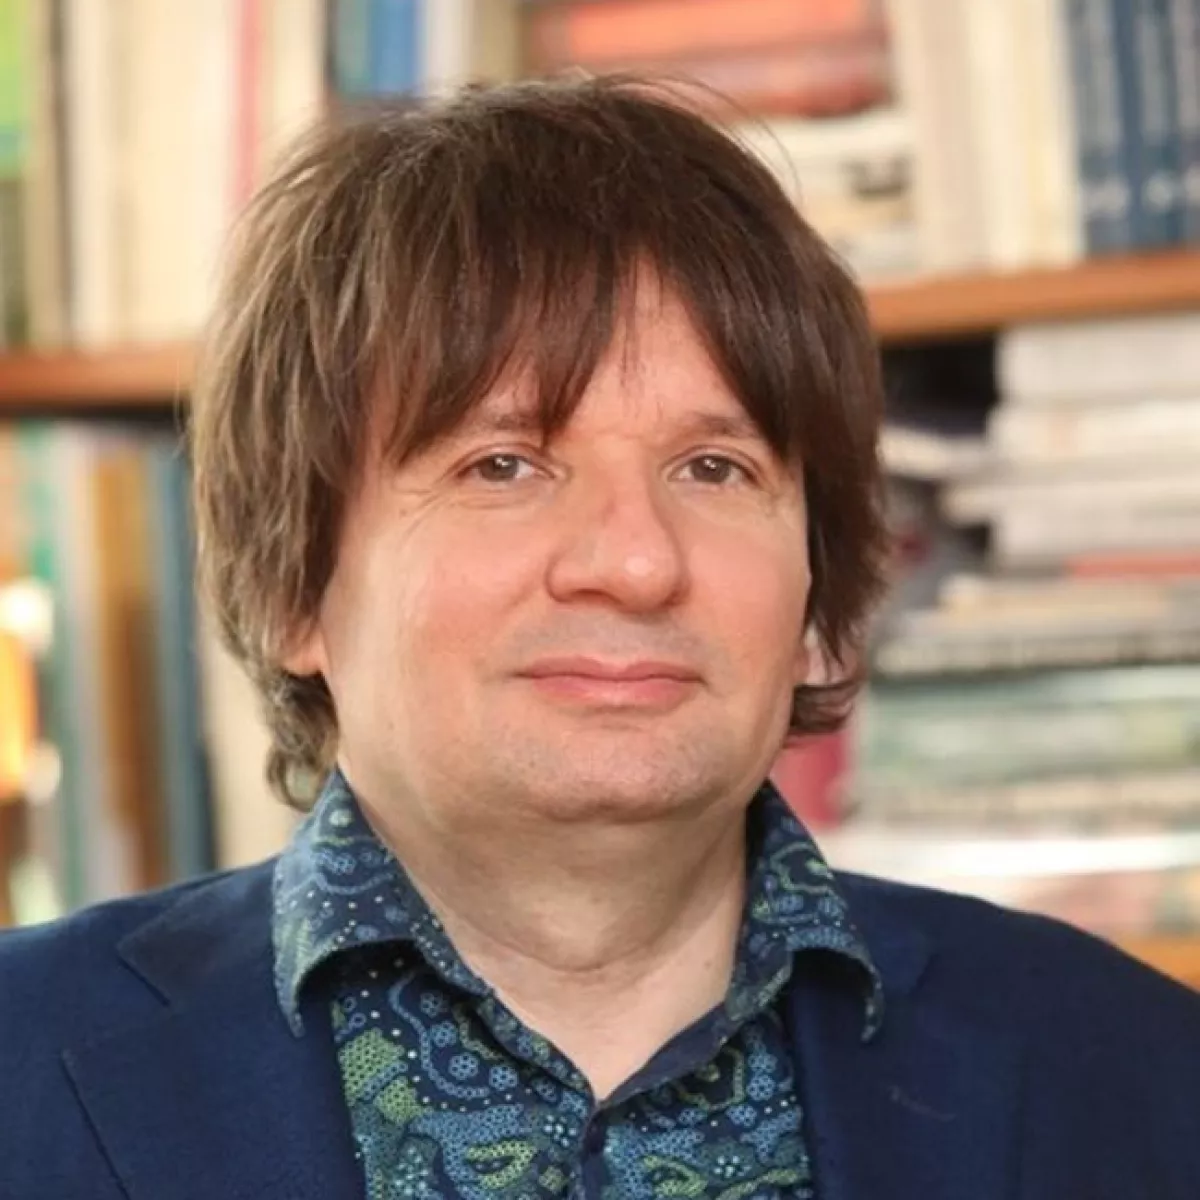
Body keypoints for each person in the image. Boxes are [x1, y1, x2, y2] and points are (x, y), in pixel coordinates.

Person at [1, 75, 1198, 1200]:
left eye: (714, 467)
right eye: (504, 464)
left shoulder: (1145, 1074)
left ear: (814, 603)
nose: (634, 561)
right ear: (291, 589)